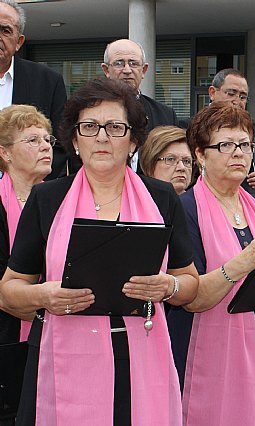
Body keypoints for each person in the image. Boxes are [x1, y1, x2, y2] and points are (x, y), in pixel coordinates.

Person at [0, 78, 198, 425]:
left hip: (140, 359)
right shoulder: (47, 199)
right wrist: (43, 295)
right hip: (63, 357)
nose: (102, 137)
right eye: (90, 127)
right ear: (74, 140)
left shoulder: (162, 197)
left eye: (115, 127)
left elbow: (190, 282)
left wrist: (170, 287)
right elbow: (9, 290)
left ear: (134, 140)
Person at [169, 102, 255, 425]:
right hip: (211, 358)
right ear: (200, 154)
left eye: (244, 144)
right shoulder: (185, 210)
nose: (238, 153)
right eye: (225, 145)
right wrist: (244, 262)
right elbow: (192, 298)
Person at [0, 105, 54, 344]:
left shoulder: (62, 200)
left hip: (56, 331)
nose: (45, 146)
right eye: (32, 140)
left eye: (47, 139)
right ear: (5, 153)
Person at [0, 0, 69, 181]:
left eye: (5, 30)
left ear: (19, 42)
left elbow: (60, 146)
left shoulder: (47, 81)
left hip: (29, 194)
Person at [102, 38, 180, 173]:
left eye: (133, 63)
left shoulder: (165, 115)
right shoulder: (89, 112)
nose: (127, 70)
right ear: (106, 70)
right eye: (119, 63)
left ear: (144, 70)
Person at [208, 68, 255, 199]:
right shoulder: (194, 127)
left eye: (243, 97)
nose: (237, 101)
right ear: (212, 92)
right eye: (231, 94)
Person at [137, 125, 194, 195]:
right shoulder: (135, 203)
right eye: (171, 159)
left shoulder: (199, 203)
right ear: (150, 165)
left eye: (186, 161)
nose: (182, 167)